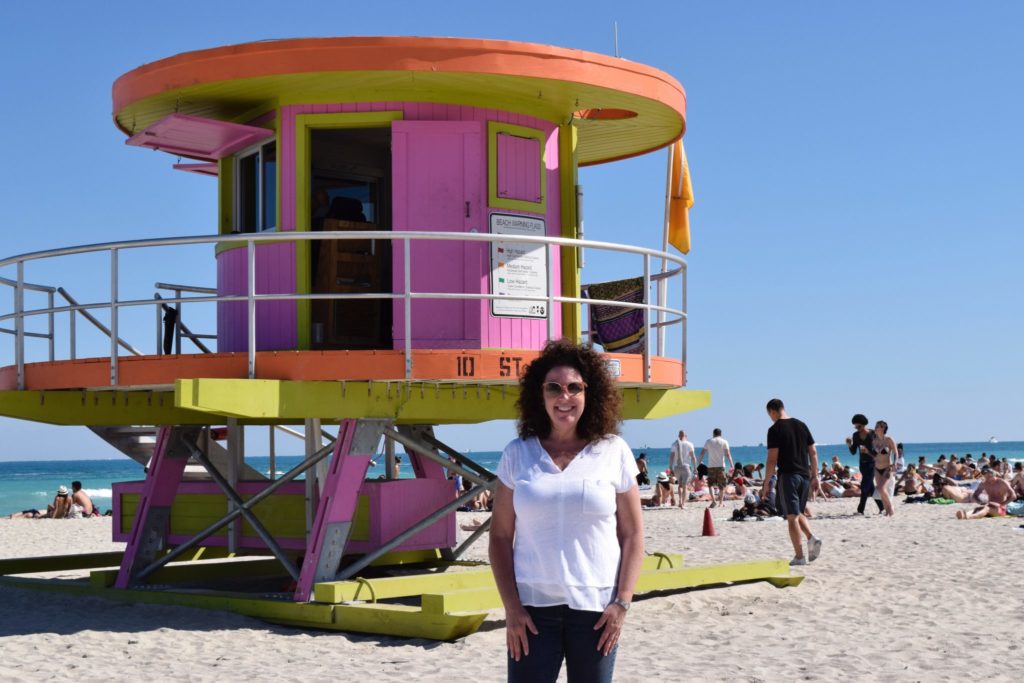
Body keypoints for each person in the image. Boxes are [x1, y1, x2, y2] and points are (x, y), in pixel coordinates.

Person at [489, 340, 643, 682]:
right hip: (531, 612)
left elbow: (632, 535)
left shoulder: (613, 451)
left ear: (590, 393)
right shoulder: (518, 453)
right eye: (553, 388)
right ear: (539, 394)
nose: (564, 397)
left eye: (575, 387)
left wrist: (622, 603)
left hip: (597, 611)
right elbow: (500, 537)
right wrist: (512, 609)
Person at [762, 399, 822, 566]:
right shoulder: (802, 425)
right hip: (804, 476)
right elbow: (814, 452)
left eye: (769, 415)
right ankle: (812, 538)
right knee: (797, 511)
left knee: (791, 517)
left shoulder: (774, 429)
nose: (771, 418)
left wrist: (767, 482)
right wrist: (815, 476)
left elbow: (772, 459)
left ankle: (799, 556)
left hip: (788, 476)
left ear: (772, 412)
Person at [846, 414, 883, 515]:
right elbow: (853, 452)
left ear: (864, 424)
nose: (857, 428)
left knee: (864, 486)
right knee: (870, 487)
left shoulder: (873, 434)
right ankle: (882, 507)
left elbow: (878, 451)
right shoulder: (856, 435)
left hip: (873, 463)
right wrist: (849, 444)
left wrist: (868, 452)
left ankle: (860, 510)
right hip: (862, 464)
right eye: (855, 426)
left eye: (859, 426)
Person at [698, 428, 734, 508]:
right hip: (721, 466)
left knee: (710, 484)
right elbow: (728, 454)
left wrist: (699, 462)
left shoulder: (708, 441)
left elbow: (702, 452)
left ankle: (714, 501)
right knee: (722, 485)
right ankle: (720, 502)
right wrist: (732, 465)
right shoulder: (724, 441)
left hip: (711, 466)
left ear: (713, 434)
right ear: (720, 434)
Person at [871, 421, 898, 516]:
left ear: (882, 428)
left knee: (882, 489)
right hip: (877, 468)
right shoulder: (874, 441)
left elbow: (895, 453)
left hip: (887, 467)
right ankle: (887, 510)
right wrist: (867, 452)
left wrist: (895, 464)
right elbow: (874, 455)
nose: (875, 427)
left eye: (877, 426)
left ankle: (890, 508)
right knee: (880, 490)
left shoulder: (889, 439)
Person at [668, 431, 695, 508]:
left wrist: (670, 466)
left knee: (679, 485)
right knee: (685, 486)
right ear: (685, 436)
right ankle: (683, 503)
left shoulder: (674, 444)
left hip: (677, 466)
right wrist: (695, 467)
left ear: (678, 436)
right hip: (686, 466)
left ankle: (679, 501)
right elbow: (693, 457)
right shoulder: (689, 444)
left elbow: (671, 456)